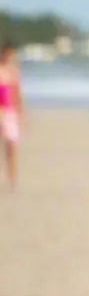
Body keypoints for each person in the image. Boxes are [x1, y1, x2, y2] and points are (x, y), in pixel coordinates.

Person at [0, 45, 24, 190]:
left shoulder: (14, 73)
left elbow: (18, 94)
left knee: (12, 147)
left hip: (10, 112)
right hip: (2, 111)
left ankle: (12, 179)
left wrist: (21, 112)